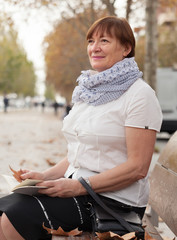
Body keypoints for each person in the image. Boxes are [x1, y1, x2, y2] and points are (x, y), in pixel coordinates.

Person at [0, 16, 162, 240]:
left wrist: (78, 186)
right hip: (82, 189)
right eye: (91, 41)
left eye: (104, 41)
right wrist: (43, 177)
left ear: (126, 48)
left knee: (16, 217)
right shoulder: (89, 92)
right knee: (4, 207)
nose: (95, 48)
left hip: (114, 202)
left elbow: (137, 168)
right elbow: (79, 153)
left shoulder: (140, 95)